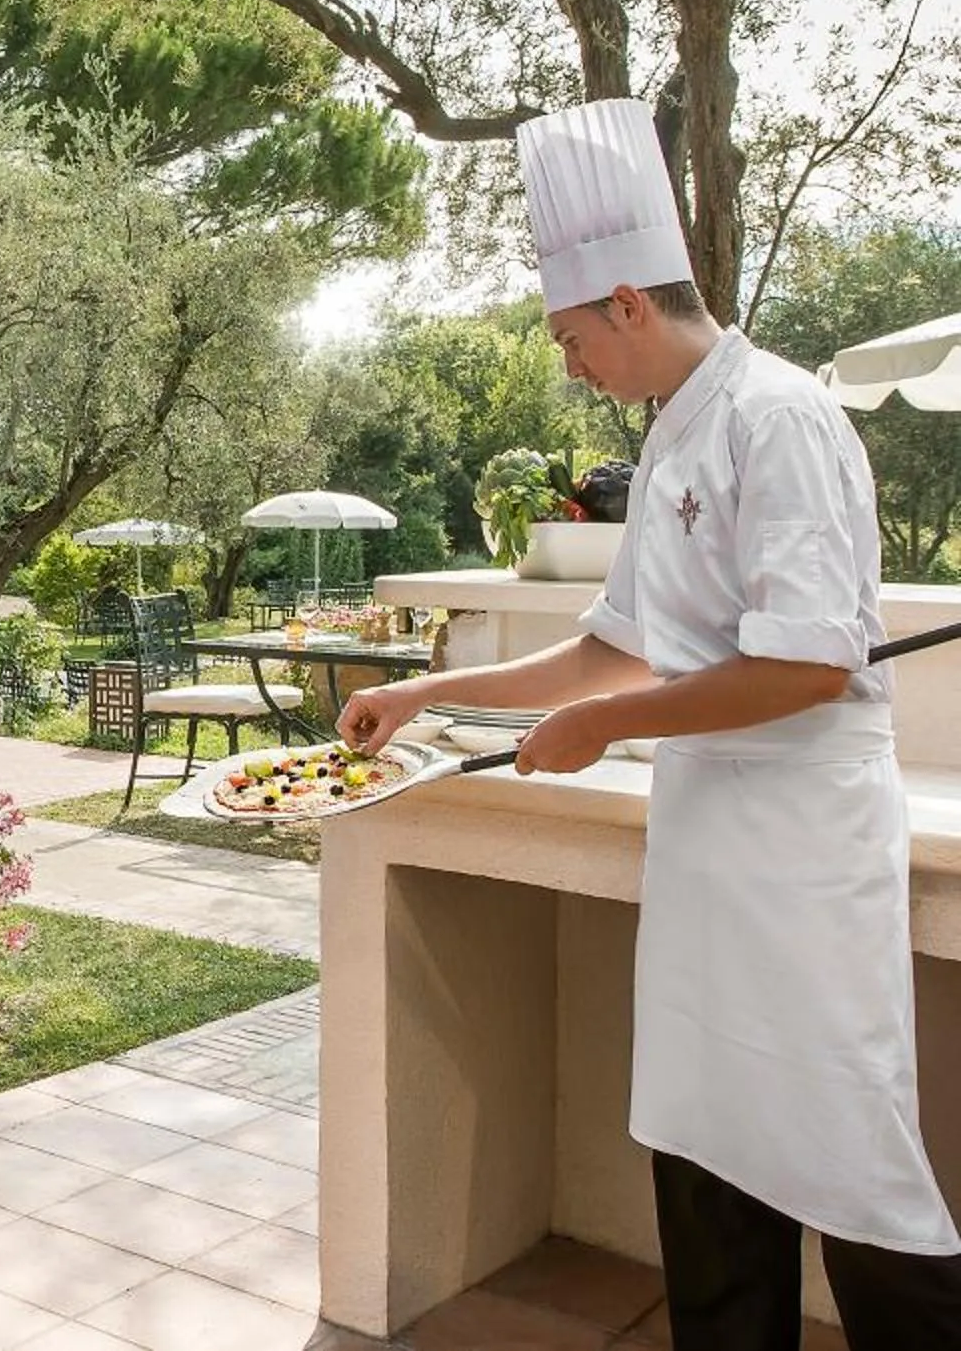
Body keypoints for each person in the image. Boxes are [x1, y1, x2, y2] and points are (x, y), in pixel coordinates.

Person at [342, 100, 961, 1349]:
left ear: (629, 303)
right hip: (708, 843)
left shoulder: (779, 419)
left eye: (571, 335)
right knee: (701, 1140)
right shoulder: (676, 433)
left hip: (799, 851)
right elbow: (609, 649)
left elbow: (806, 668)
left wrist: (611, 726)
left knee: (850, 1158)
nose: (568, 362)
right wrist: (427, 692)